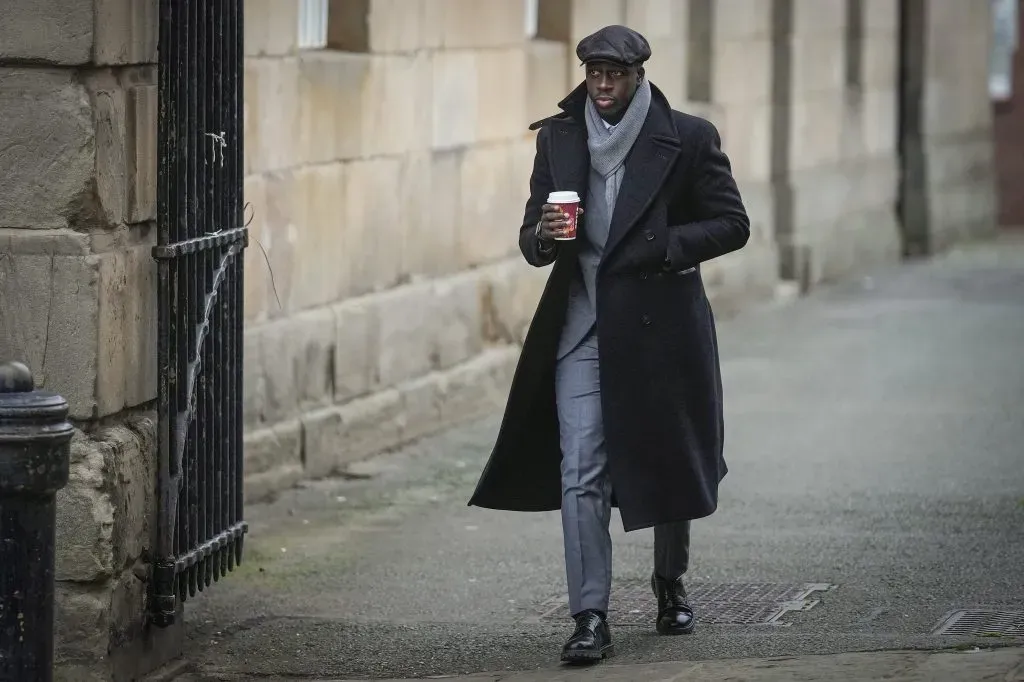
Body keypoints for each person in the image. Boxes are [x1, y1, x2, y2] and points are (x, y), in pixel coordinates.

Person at [468, 24, 750, 664]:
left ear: (637, 75)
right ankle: (589, 615)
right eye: (593, 73)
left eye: (614, 75)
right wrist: (541, 234)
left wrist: (666, 248)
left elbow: (733, 224)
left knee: (668, 458)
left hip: (660, 330)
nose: (601, 85)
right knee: (582, 468)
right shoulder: (559, 137)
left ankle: (669, 580)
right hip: (583, 328)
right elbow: (532, 238)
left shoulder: (687, 139)